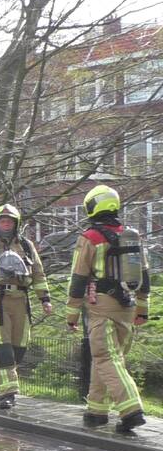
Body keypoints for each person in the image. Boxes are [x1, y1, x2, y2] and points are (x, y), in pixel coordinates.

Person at [65, 185, 150, 434]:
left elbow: (78, 279)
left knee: (105, 357)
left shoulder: (89, 237)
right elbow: (144, 276)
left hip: (102, 305)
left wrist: (71, 314)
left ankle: (131, 410)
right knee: (109, 357)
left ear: (92, 207)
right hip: (128, 305)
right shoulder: (131, 236)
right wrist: (142, 309)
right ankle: (96, 411)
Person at [0, 204, 52, 409]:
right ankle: (8, 394)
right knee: (3, 348)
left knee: (19, 348)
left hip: (20, 300)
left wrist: (45, 299)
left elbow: (38, 274)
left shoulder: (26, 245)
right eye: (2, 221)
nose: (6, 224)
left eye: (9, 221)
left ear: (16, 224)